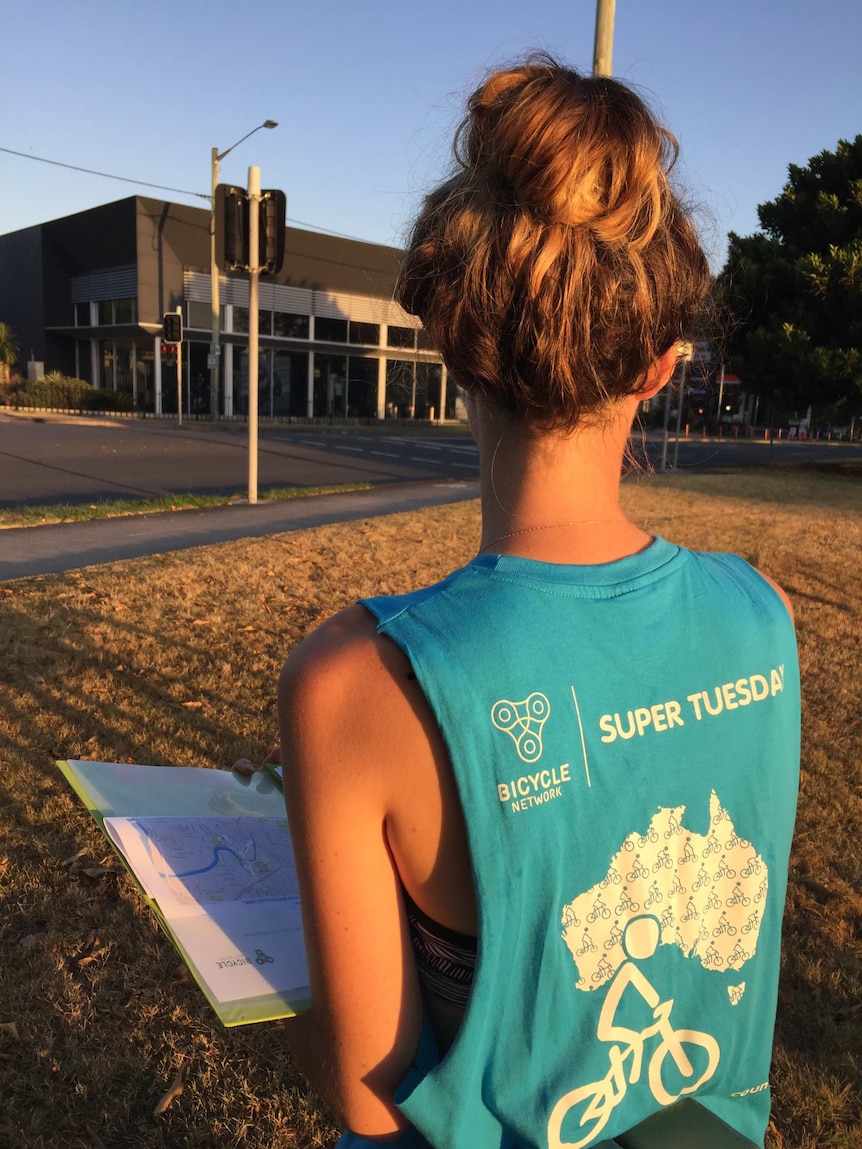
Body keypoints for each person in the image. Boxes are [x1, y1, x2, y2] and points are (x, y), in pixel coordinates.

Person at [245, 56, 800, 1148]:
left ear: (455, 344)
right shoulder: (762, 613)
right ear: (657, 365)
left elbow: (367, 1095)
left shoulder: (354, 684)